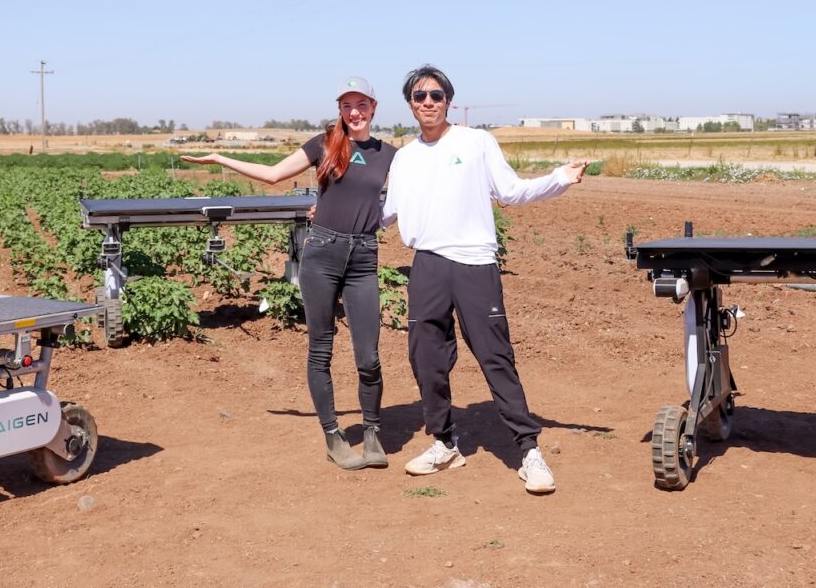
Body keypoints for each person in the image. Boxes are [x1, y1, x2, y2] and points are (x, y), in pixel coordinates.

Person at [380, 64, 586, 494]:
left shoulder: (476, 142)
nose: (429, 102)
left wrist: (559, 179)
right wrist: (330, 214)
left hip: (475, 262)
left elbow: (510, 192)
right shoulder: (406, 157)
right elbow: (386, 214)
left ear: (448, 100)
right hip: (427, 264)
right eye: (420, 97)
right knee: (426, 358)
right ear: (410, 105)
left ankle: (529, 451)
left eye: (436, 95)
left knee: (495, 356)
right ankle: (444, 443)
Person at [182, 77, 396, 470]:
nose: (355, 111)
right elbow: (272, 174)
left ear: (373, 107)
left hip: (364, 257)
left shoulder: (390, 154)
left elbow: (407, 199)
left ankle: (371, 432)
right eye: (347, 105)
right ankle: (333, 435)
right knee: (321, 347)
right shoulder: (325, 143)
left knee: (368, 355)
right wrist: (220, 158)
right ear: (340, 109)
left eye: (361, 104)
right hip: (322, 254)